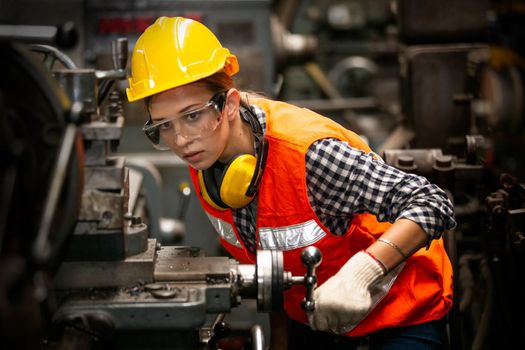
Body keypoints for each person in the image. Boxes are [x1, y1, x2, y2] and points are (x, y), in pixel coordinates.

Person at [126, 16, 456, 350]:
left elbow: (430, 202)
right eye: (164, 126)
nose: (180, 139)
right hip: (318, 314)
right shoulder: (208, 162)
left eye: (192, 115)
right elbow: (271, 265)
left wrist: (363, 273)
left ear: (229, 105)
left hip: (401, 309)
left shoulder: (310, 157)